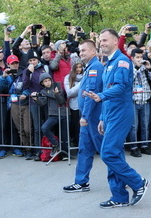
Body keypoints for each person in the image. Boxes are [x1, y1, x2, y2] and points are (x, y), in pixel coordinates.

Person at [88, 28, 149, 208]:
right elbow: (109, 91)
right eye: (100, 40)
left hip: (121, 113)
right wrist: (102, 118)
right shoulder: (109, 63)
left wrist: (101, 96)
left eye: (105, 40)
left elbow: (121, 87)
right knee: (114, 154)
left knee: (107, 153)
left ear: (116, 41)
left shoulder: (122, 61)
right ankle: (119, 196)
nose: (102, 43)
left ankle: (138, 182)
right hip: (110, 114)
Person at [63, 40, 104, 193]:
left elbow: (90, 95)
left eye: (84, 50)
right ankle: (81, 182)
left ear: (93, 51)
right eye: (80, 51)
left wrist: (85, 116)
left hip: (92, 118)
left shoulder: (95, 68)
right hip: (88, 117)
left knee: (106, 152)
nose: (81, 53)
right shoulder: (89, 67)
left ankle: (125, 178)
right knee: (84, 150)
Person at [0, 55, 30, 159]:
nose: (15, 65)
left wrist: (25, 93)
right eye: (12, 63)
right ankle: (3, 148)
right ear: (8, 64)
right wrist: (3, 76)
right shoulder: (6, 74)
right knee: (4, 125)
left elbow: (27, 86)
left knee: (17, 126)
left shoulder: (23, 72)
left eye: (16, 63)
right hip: (9, 103)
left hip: (21, 103)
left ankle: (16, 147)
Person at [128, 48, 151, 157]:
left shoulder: (144, 67)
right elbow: (129, 80)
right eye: (137, 57)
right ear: (132, 58)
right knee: (134, 126)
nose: (140, 59)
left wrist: (149, 68)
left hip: (145, 99)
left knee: (145, 125)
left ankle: (145, 146)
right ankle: (134, 147)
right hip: (134, 100)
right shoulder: (129, 68)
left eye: (141, 57)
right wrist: (137, 68)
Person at [32, 72, 68, 160]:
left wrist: (56, 94)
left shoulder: (57, 86)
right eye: (45, 81)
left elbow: (62, 101)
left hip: (62, 113)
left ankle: (65, 154)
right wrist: (36, 99)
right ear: (42, 83)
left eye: (49, 80)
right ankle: (55, 144)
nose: (48, 82)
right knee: (44, 128)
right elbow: (42, 103)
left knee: (64, 135)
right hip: (53, 114)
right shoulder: (43, 91)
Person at [64, 62, 83, 146]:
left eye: (80, 67)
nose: (79, 69)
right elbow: (69, 93)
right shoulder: (68, 78)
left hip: (85, 104)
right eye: (76, 67)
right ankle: (78, 145)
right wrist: (81, 84)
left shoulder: (86, 76)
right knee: (77, 126)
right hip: (74, 106)